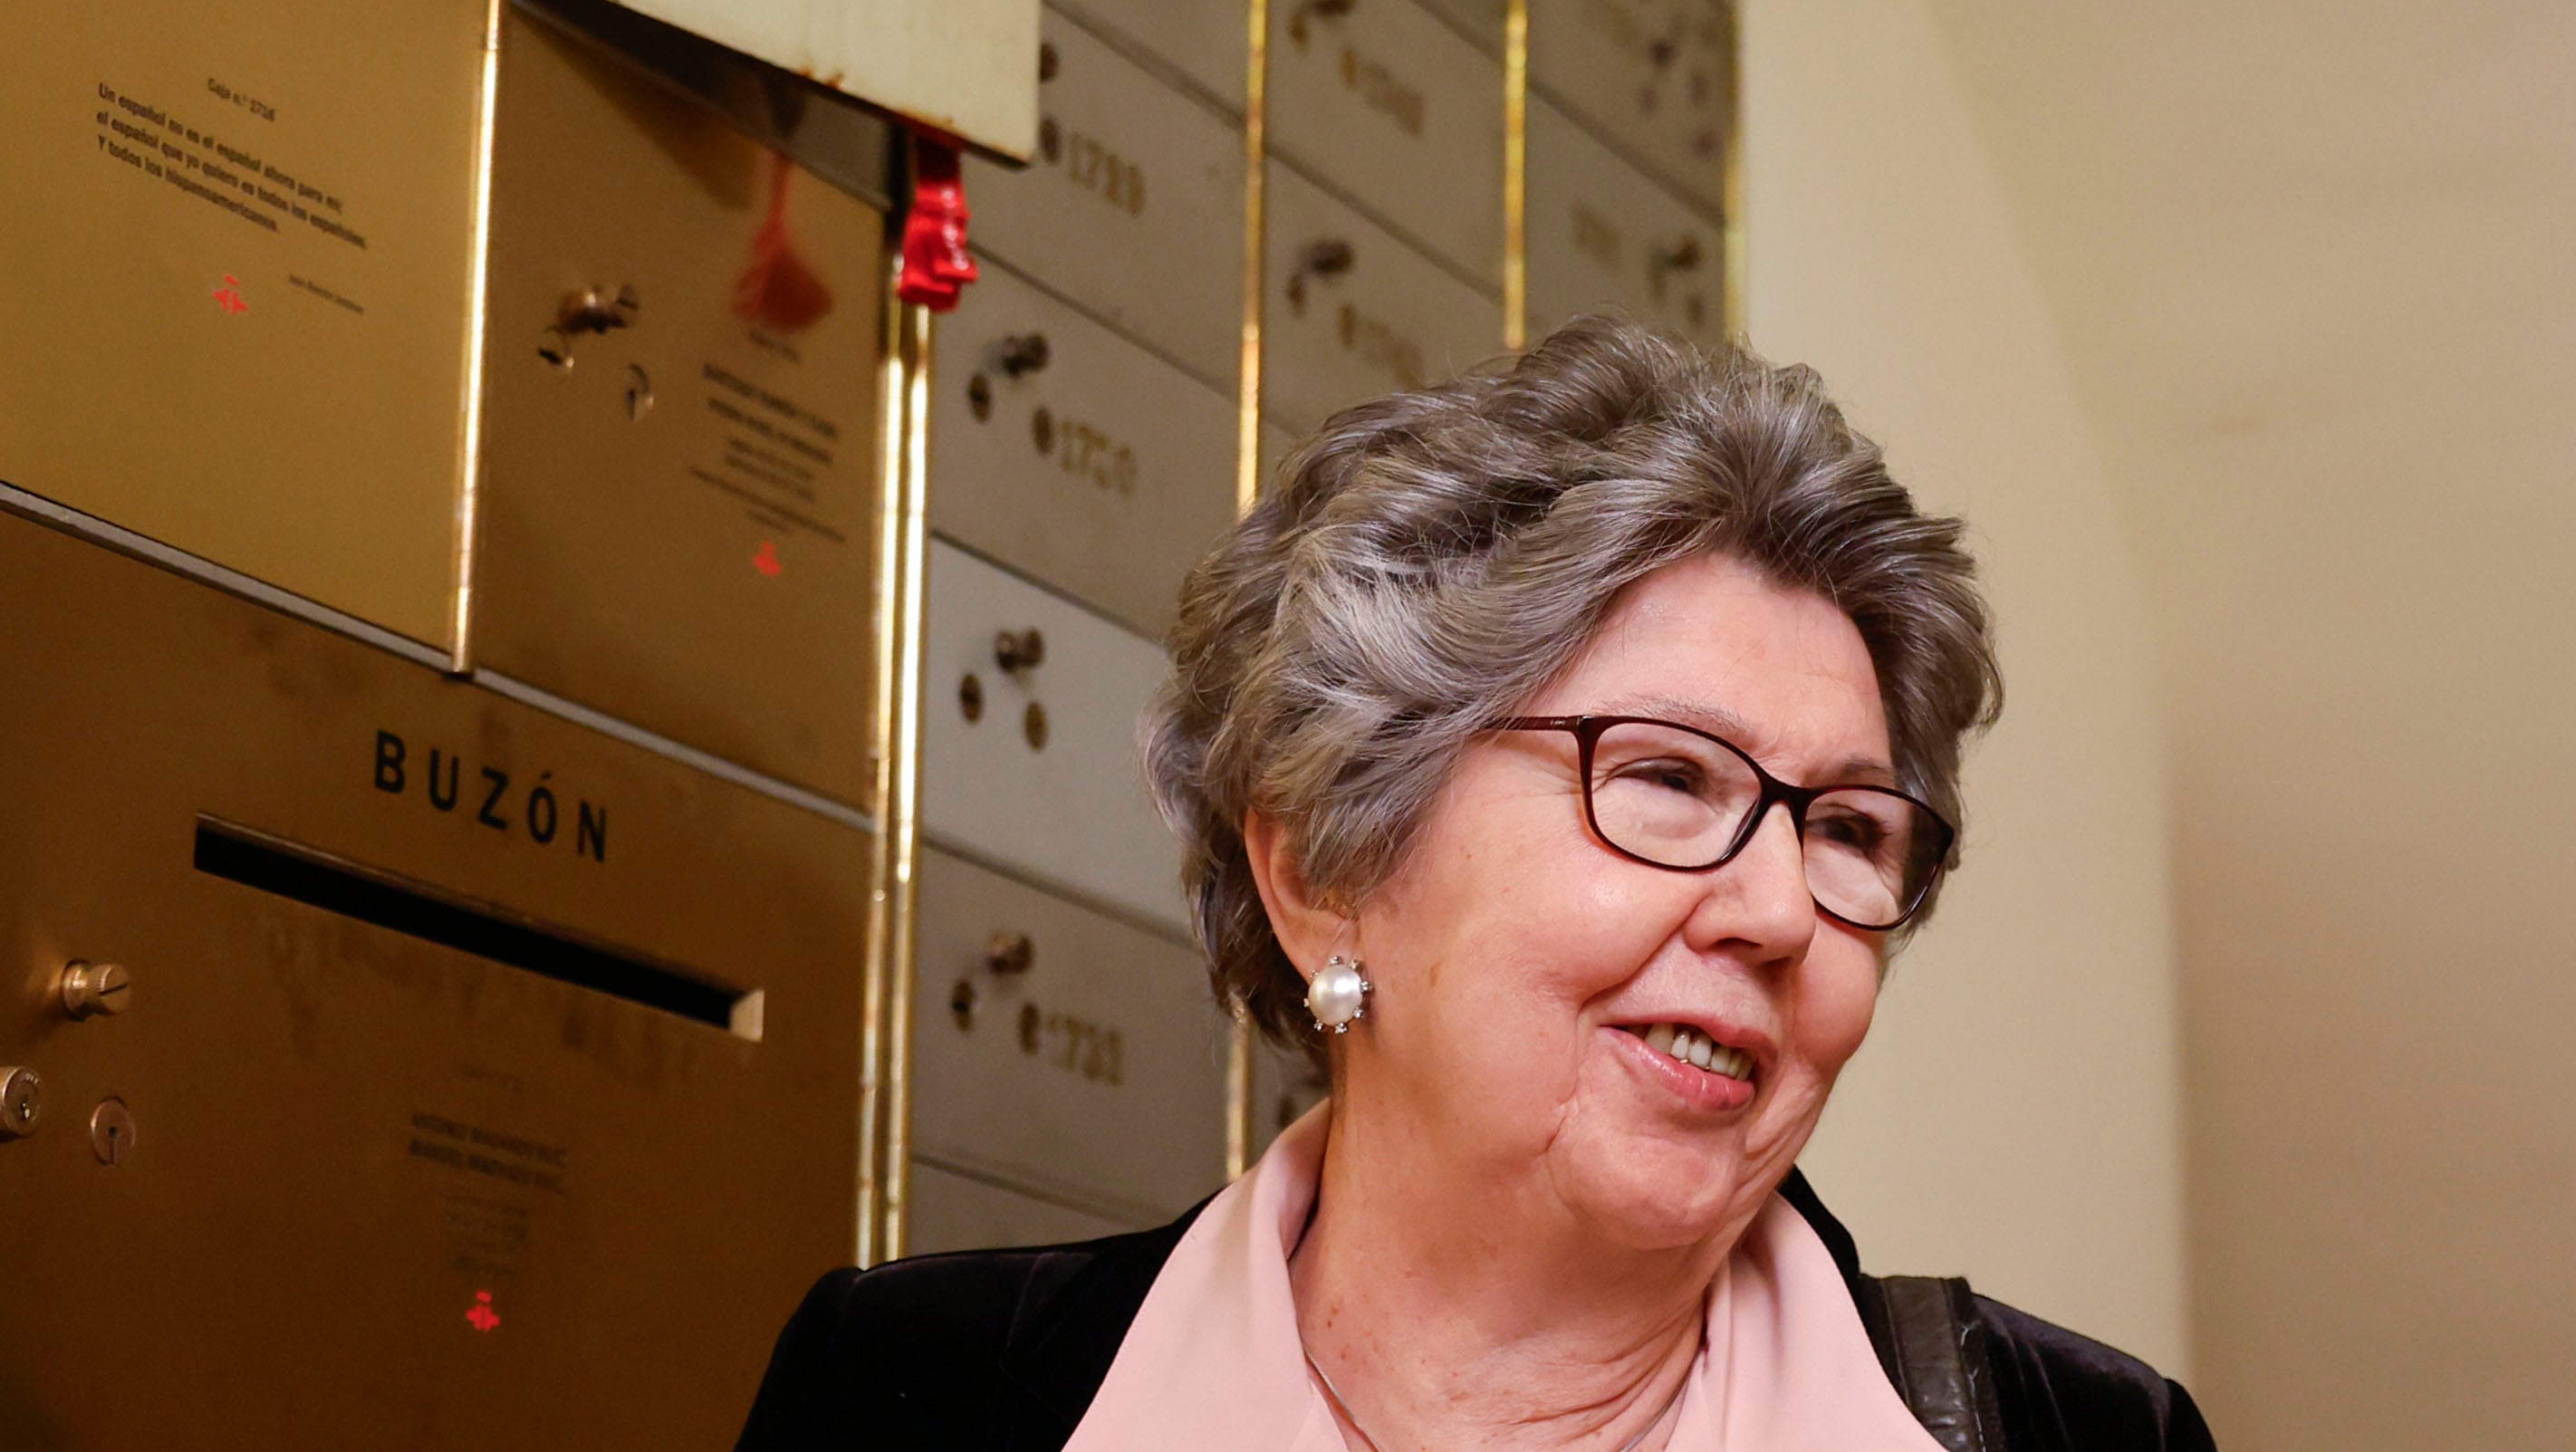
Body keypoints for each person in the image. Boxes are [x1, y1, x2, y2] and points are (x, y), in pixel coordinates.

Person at [735, 317, 2210, 1451]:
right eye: (1666, 778)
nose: (1775, 909)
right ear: (1324, 865)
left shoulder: (2089, 1436)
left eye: (1845, 828)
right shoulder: (915, 1390)